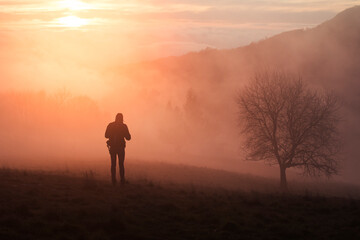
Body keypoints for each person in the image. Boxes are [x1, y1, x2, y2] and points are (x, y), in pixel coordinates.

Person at [105, 113, 131, 185]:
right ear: (122, 119)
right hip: (120, 148)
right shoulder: (124, 126)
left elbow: (106, 135)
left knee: (113, 164)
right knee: (121, 164)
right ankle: (122, 180)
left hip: (113, 147)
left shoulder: (110, 125)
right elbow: (128, 138)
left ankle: (113, 181)